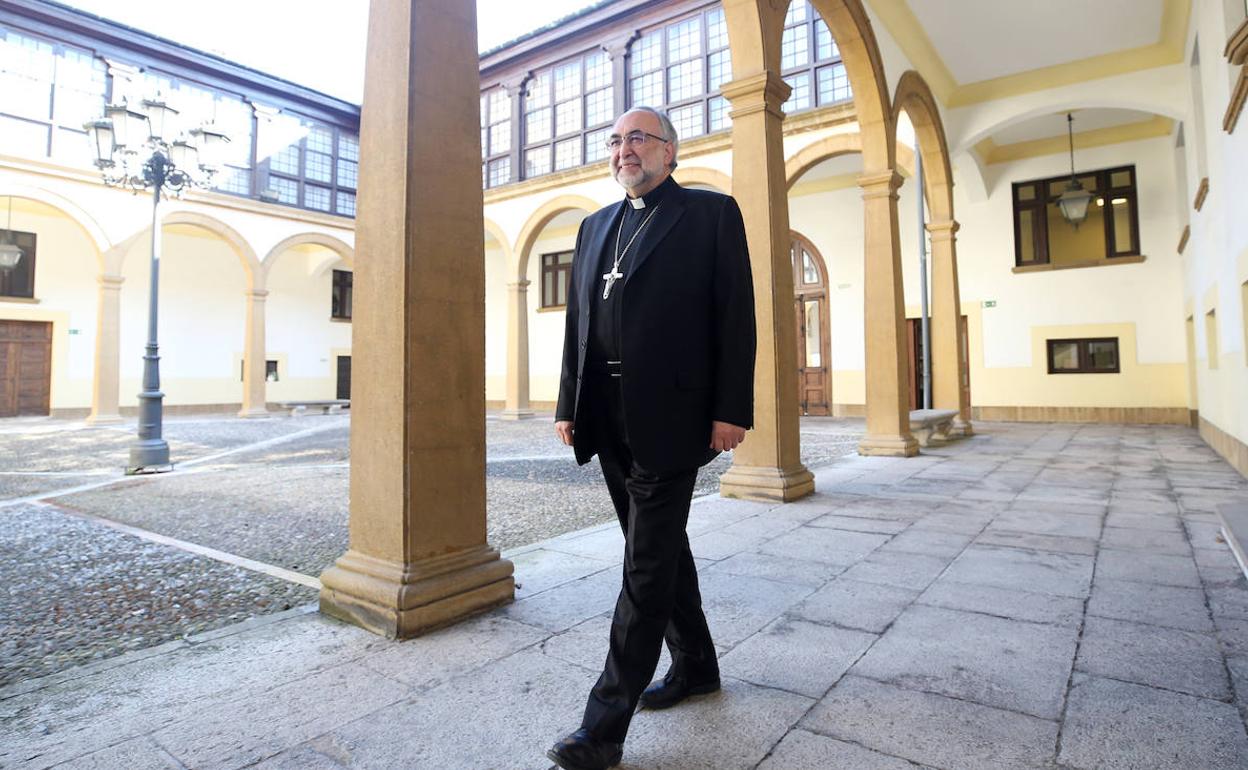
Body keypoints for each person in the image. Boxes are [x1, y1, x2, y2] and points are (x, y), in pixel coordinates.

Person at [546, 106, 756, 770]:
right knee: (658, 551)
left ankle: (601, 729)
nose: (622, 150)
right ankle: (696, 666)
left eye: (637, 138)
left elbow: (736, 317)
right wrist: (568, 401)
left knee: (643, 569)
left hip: (673, 415)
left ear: (670, 152)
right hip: (606, 414)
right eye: (614, 140)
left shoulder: (709, 215)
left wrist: (732, 410)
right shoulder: (593, 226)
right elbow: (579, 322)